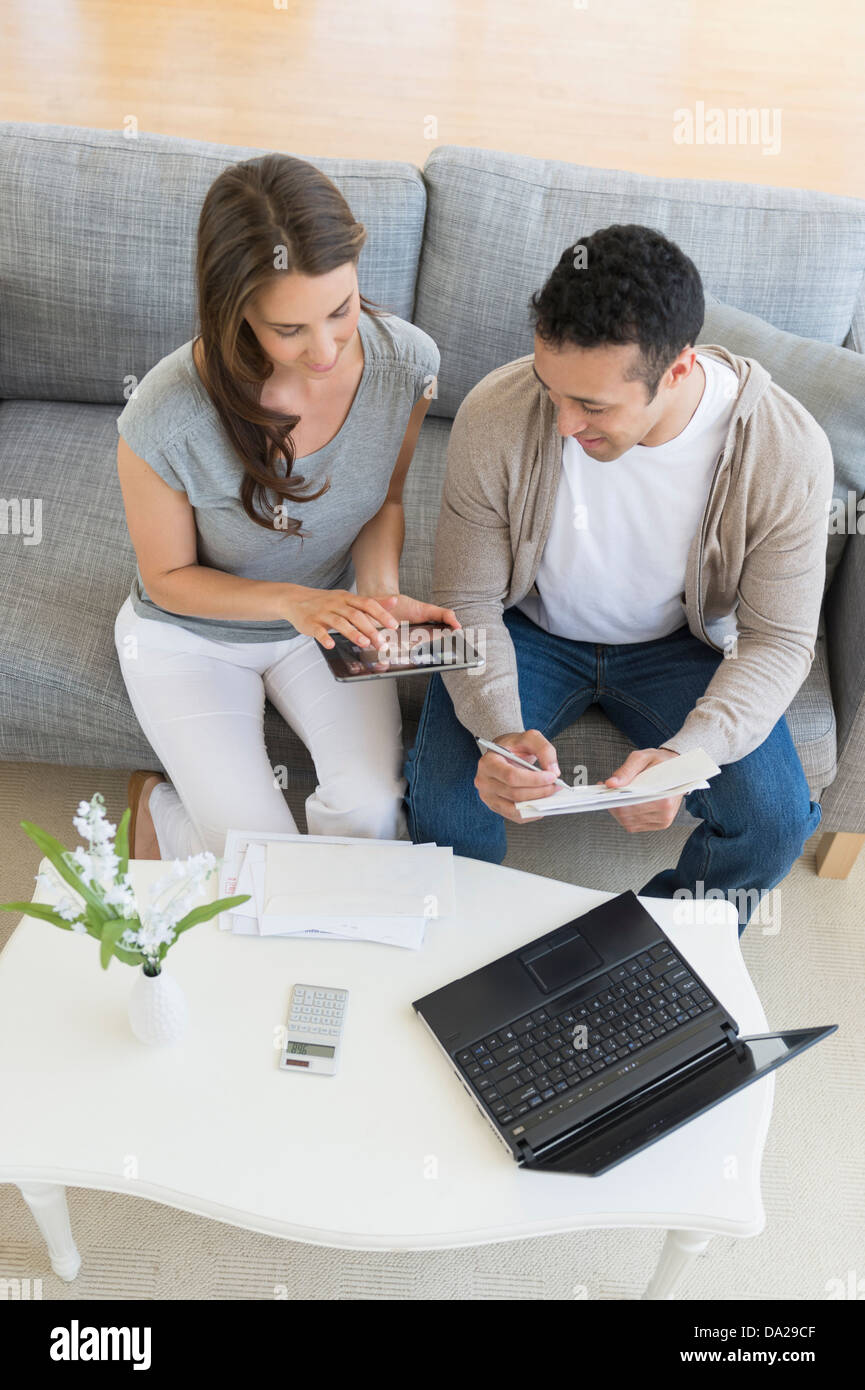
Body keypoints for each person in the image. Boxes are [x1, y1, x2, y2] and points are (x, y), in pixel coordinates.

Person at [404, 224, 832, 931]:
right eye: (552, 390)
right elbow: (468, 600)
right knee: (448, 805)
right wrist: (500, 730)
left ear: (677, 369)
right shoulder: (496, 412)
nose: (564, 422)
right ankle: (461, 942)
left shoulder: (785, 452)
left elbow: (778, 642)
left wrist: (683, 757)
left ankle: (665, 943)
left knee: (772, 819)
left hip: (677, 647)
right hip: (529, 631)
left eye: (594, 406)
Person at [115, 152, 456, 860]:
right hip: (192, 633)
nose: (327, 349)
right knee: (263, 862)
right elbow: (167, 580)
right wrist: (292, 603)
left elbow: (384, 501)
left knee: (371, 815)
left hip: (324, 618)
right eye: (289, 330)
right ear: (235, 312)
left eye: (341, 310)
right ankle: (156, 809)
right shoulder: (163, 415)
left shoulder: (408, 366)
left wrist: (379, 599)